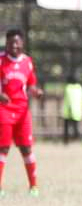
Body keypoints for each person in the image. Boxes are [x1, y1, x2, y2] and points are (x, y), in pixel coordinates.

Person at [0, 29, 43, 197]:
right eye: (11, 42)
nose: (14, 45)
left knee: (26, 148)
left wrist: (36, 92)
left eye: (17, 42)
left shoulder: (28, 62)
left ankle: (34, 186)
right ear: (6, 43)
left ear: (22, 43)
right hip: (4, 110)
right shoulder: (1, 61)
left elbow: (31, 84)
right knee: (3, 148)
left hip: (22, 111)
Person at [62, 73, 82, 144]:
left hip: (68, 110)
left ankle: (67, 140)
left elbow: (69, 99)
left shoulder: (68, 87)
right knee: (75, 127)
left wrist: (70, 108)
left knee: (67, 127)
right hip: (77, 110)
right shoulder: (80, 88)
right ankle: (77, 138)